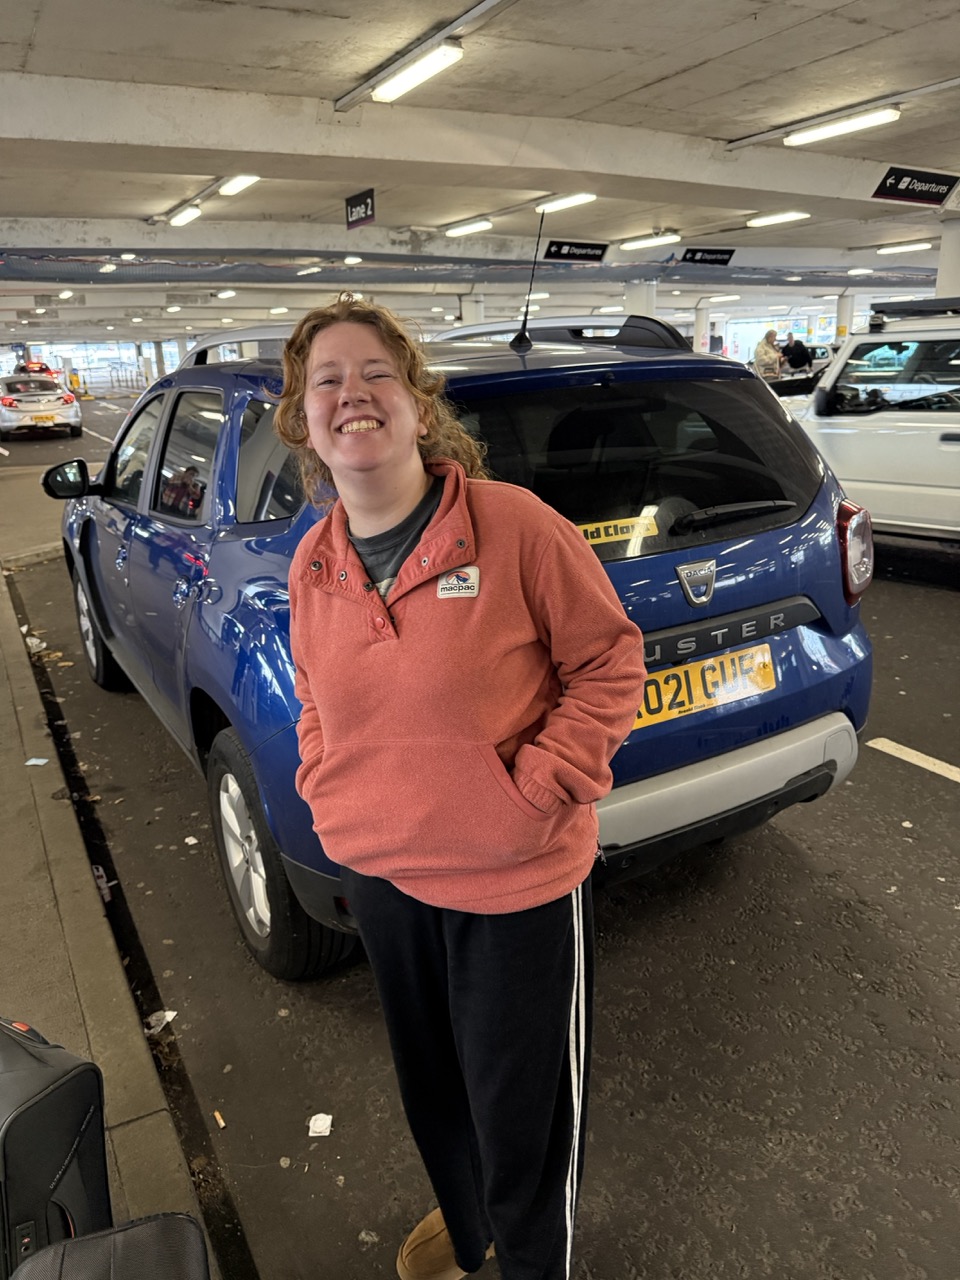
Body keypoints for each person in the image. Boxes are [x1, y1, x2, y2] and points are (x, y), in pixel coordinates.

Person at [275, 295, 647, 1280]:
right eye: (327, 381)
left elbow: (609, 662)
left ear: (418, 403)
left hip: (513, 880)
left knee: (524, 1112)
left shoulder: (514, 525)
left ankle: (531, 1259)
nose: (352, 393)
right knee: (435, 1089)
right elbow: (312, 694)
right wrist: (329, 785)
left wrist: (538, 789)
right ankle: (473, 1227)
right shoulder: (314, 561)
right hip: (386, 876)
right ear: (304, 421)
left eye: (376, 373)